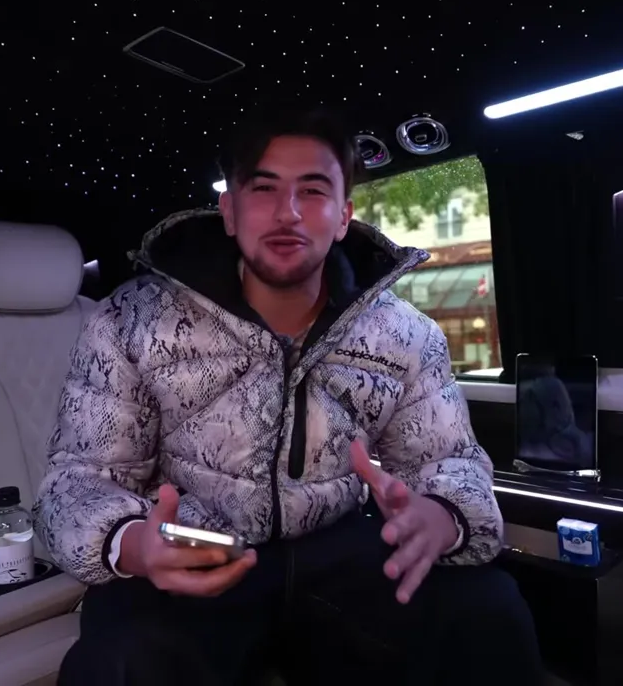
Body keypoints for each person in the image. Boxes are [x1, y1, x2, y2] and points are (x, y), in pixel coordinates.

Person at [36, 104, 544, 686]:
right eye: (264, 189)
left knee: (489, 612)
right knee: (122, 661)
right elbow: (75, 484)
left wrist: (440, 515)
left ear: (344, 215)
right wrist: (136, 545)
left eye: (313, 190)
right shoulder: (129, 322)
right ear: (229, 212)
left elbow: (451, 464)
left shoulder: (406, 335)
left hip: (342, 551)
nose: (288, 212)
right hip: (199, 551)